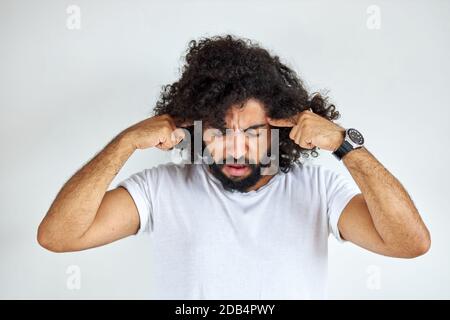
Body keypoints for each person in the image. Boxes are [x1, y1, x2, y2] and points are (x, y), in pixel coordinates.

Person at [37, 35, 430, 299]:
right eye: (219, 131)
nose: (235, 149)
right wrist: (124, 143)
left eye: (253, 132)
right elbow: (58, 236)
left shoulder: (318, 189)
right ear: (193, 127)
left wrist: (344, 145)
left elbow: (409, 243)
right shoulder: (160, 189)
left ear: (283, 128)